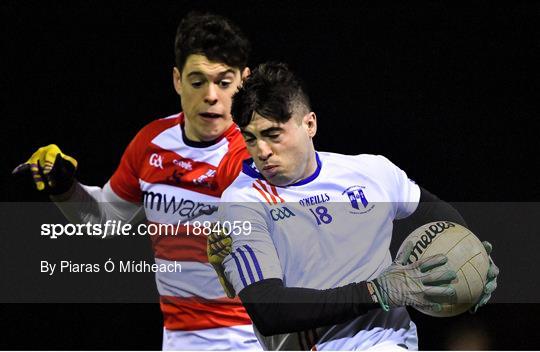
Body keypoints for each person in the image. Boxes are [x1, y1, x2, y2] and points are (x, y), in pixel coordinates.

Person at [13, 12, 262, 351]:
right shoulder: (151, 143)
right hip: (178, 337)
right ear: (177, 80)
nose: (211, 96)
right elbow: (104, 221)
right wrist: (64, 188)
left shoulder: (257, 153)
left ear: (244, 82)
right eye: (197, 81)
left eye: (224, 81)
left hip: (253, 338)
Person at [208, 62, 499, 350]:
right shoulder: (242, 203)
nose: (262, 151)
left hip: (389, 341)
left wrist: (469, 257)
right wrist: (378, 291)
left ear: (309, 124)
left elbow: (431, 209)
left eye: (273, 134)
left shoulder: (369, 171)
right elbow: (271, 310)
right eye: (250, 138)